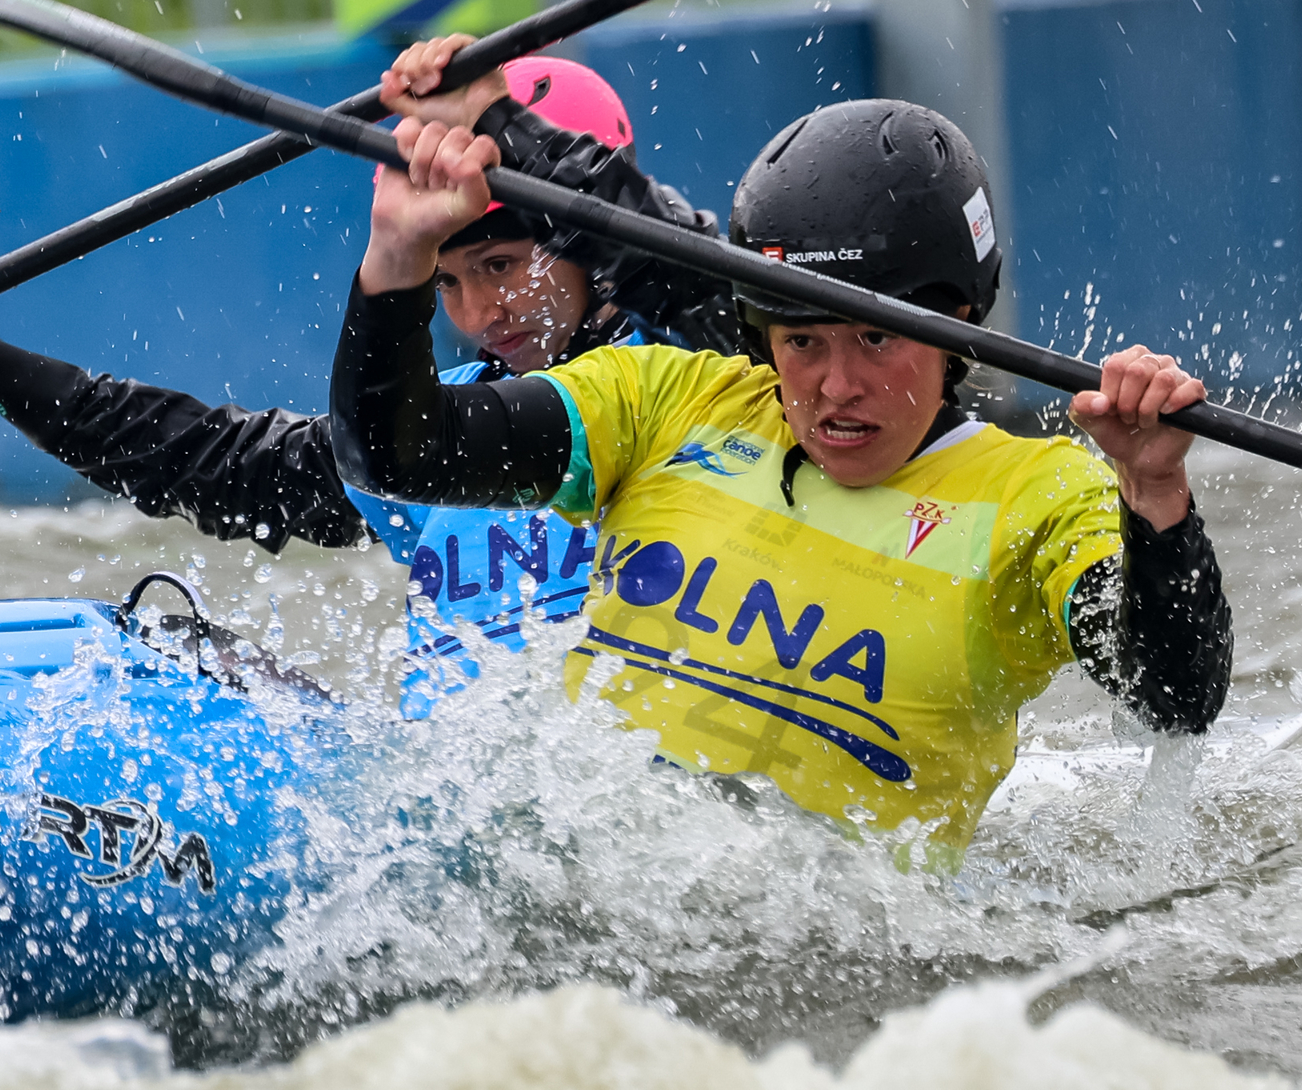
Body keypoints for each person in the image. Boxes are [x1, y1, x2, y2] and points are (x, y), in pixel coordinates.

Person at [331, 86, 1233, 857]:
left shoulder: (1038, 496)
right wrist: (398, 263)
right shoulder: (661, 402)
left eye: (876, 339)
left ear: (959, 320)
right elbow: (395, 453)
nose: (838, 388)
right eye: (801, 341)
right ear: (758, 331)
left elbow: (1175, 699)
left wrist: (1155, 498)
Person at [0, 49, 743, 692]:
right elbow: (204, 458)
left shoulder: (710, 381)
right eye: (447, 281)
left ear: (587, 245)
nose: (479, 314)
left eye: (505, 267)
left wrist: (503, 128)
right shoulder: (431, 441)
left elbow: (691, 268)